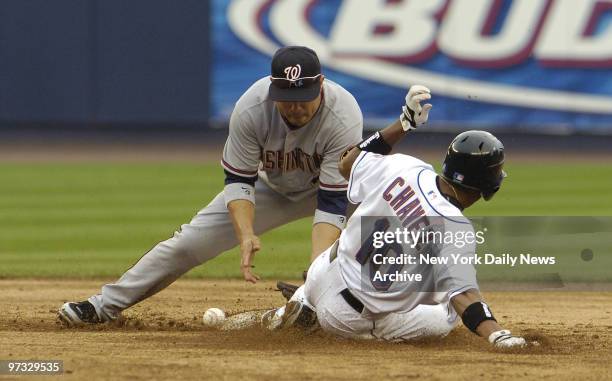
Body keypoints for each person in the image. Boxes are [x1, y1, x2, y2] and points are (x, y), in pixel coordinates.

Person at [58, 46, 363, 326]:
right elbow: (240, 181)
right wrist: (245, 233)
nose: (295, 107)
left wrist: (312, 284)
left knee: (387, 221)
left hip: (338, 192)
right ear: (273, 88)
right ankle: (102, 306)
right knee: (189, 243)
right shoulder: (252, 108)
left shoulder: (343, 115)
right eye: (287, 97)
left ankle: (381, 314)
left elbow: (331, 204)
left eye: (303, 97)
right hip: (272, 188)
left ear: (321, 83)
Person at [264, 85, 528, 348]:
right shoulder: (455, 229)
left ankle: (292, 307)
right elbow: (465, 297)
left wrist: (404, 123)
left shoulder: (407, 166)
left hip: (323, 271)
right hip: (345, 316)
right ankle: (320, 320)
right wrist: (497, 334)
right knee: (448, 309)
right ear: (485, 186)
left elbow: (346, 164)